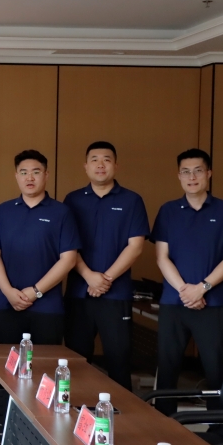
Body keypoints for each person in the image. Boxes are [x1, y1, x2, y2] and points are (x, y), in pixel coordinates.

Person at [151, 148, 223, 415]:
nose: (192, 177)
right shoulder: (168, 211)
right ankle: (162, 425)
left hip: (213, 304)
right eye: (186, 172)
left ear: (209, 173)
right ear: (179, 176)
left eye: (198, 171)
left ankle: (222, 430)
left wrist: (201, 289)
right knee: (167, 369)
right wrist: (185, 291)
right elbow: (161, 257)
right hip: (174, 302)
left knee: (217, 370)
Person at [63, 141, 149, 390]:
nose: (100, 165)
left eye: (107, 159)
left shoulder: (132, 200)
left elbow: (136, 246)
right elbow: (67, 246)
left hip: (116, 295)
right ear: (85, 166)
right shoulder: (72, 200)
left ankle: (121, 413)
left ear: (116, 165)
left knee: (119, 360)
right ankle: (73, 410)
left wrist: (105, 279)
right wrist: (88, 276)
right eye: (94, 159)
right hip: (79, 293)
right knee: (75, 360)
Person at [0, 150, 80, 345]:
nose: (29, 177)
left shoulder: (61, 212)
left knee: (45, 362)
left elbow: (69, 259)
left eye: (36, 172)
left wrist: (36, 291)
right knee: (7, 360)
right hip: (8, 304)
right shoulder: (4, 211)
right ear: (16, 176)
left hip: (47, 307)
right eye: (23, 172)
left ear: (46, 175)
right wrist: (8, 291)